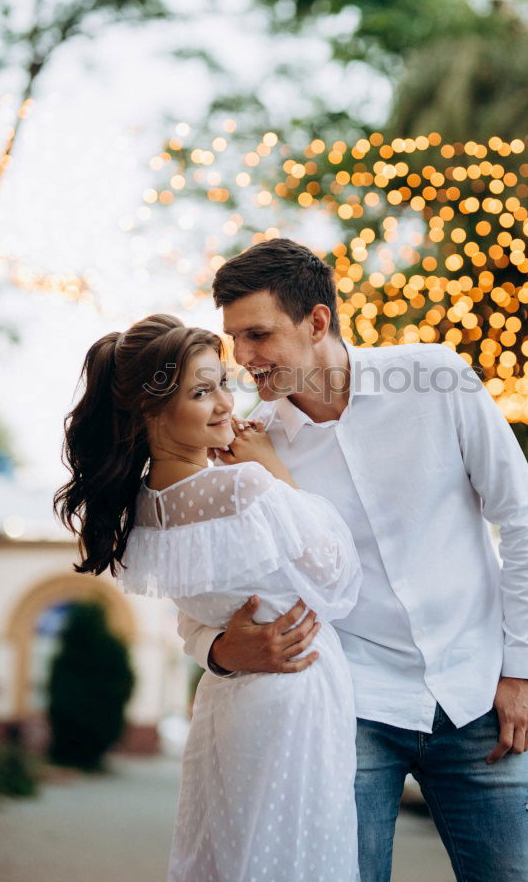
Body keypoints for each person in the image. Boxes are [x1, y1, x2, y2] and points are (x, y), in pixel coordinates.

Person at [178, 238, 528, 882]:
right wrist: (215, 650)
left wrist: (522, 671)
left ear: (317, 321)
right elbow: (201, 589)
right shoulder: (250, 447)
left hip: (478, 697)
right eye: (233, 340)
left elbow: (522, 520)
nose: (242, 359)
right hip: (348, 708)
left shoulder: (437, 378)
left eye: (258, 335)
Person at [53, 313, 363, 882]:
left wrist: (220, 652)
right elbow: (339, 577)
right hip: (296, 694)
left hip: (227, 705)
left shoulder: (144, 513)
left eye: (222, 381)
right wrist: (273, 469)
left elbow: (192, 623)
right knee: (293, 861)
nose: (226, 402)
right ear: (150, 409)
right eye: (201, 391)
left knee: (230, 856)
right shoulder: (243, 485)